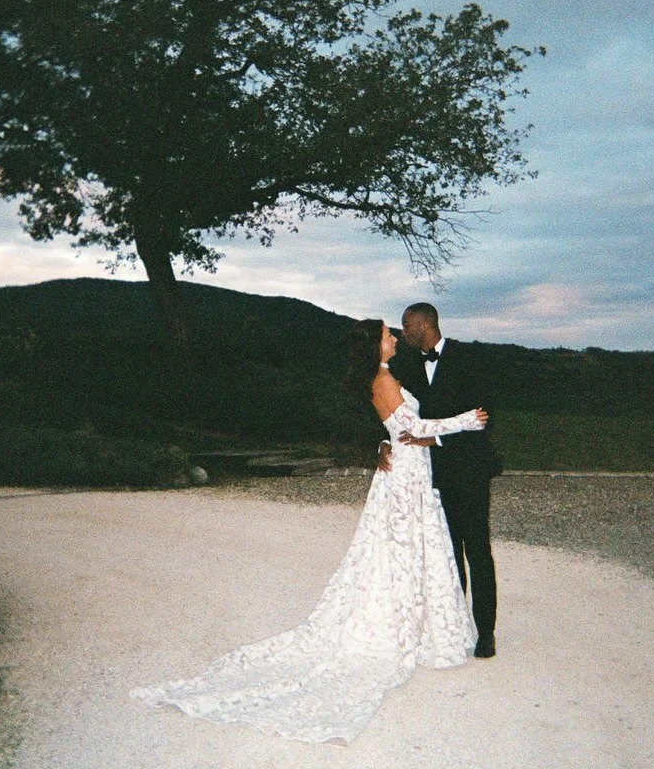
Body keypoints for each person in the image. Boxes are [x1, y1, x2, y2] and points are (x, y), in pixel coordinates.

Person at [131, 319, 487, 745]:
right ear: (376, 345)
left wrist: (389, 443)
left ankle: (422, 627)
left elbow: (400, 433)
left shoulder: (388, 376)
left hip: (411, 470)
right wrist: (465, 421)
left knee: (409, 553)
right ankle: (399, 631)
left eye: (394, 333)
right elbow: (413, 428)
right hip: (406, 479)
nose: (394, 339)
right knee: (401, 552)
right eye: (388, 335)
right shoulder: (382, 379)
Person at [383, 303, 502, 658]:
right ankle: (456, 626)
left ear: (424, 323)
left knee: (477, 550)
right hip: (429, 476)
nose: (402, 332)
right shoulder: (404, 364)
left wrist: (437, 438)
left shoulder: (470, 358)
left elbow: (486, 417)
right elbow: (389, 414)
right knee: (446, 554)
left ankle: (486, 633)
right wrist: (382, 444)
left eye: (406, 324)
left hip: (469, 470)